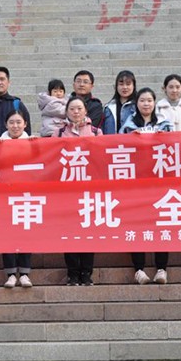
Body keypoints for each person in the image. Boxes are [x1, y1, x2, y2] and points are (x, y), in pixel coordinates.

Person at [121, 87, 172, 283]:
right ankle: (139, 269)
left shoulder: (165, 125)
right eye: (142, 100)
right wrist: (130, 139)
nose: (146, 104)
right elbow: (118, 150)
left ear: (154, 102)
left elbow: (176, 147)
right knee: (137, 224)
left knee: (161, 224)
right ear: (136, 103)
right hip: (135, 183)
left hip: (159, 182)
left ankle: (161, 269)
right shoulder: (128, 126)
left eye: (149, 100)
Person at [55, 97, 102, 286]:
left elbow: (102, 157)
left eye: (79, 108)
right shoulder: (59, 132)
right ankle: (72, 273)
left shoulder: (96, 132)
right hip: (67, 191)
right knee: (70, 232)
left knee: (88, 232)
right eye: (72, 109)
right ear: (66, 111)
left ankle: (86, 273)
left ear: (85, 111)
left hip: (89, 189)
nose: (76, 112)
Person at [0, 109, 33, 287]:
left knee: (26, 232)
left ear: (25, 124)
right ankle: (11, 274)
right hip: (5, 196)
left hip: (26, 195)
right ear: (6, 124)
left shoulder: (32, 143)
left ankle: (25, 273)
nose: (15, 126)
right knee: (7, 234)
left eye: (19, 122)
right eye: (11, 122)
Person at [102, 70, 137, 135]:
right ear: (116, 86)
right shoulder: (108, 108)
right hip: (111, 141)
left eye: (128, 84)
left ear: (133, 86)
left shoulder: (138, 107)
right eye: (121, 84)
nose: (125, 87)